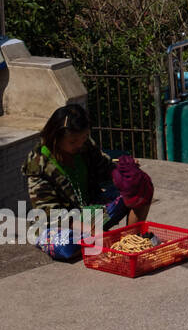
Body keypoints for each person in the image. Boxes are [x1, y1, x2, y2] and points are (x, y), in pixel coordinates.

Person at [23, 104, 154, 260]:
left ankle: (131, 241)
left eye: (83, 138)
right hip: (59, 224)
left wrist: (126, 172)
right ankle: (108, 241)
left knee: (139, 186)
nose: (79, 144)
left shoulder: (84, 145)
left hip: (88, 211)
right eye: (72, 142)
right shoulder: (38, 163)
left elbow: (105, 168)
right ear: (56, 138)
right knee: (66, 246)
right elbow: (49, 212)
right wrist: (90, 230)